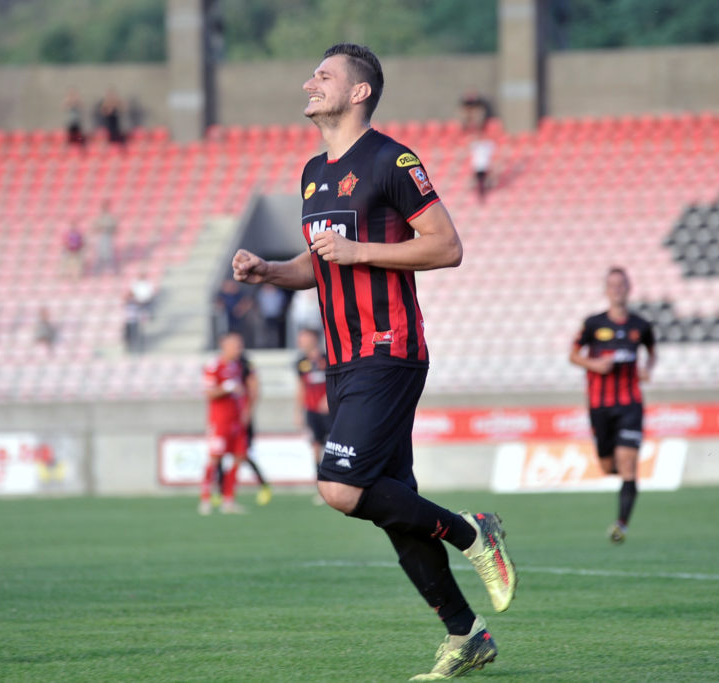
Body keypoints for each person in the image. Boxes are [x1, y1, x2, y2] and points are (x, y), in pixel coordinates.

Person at [231, 43, 517, 680]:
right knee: (395, 508)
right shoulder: (311, 171)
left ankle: (475, 533)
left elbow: (446, 246)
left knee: (340, 487)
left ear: (359, 92)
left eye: (324, 75)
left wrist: (360, 252)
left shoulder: (393, 159)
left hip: (386, 349)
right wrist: (271, 271)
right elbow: (320, 261)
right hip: (341, 357)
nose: (310, 82)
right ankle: (466, 634)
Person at [568, 266, 657, 545]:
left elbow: (652, 353)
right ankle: (621, 470)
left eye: (622, 284)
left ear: (629, 288)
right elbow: (573, 355)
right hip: (600, 406)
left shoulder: (640, 326)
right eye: (612, 285)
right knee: (608, 466)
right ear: (606, 290)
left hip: (630, 403)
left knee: (628, 464)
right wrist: (594, 363)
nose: (617, 289)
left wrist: (647, 368)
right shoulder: (593, 324)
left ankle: (621, 525)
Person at [217, 332, 272, 507]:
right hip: (225, 418)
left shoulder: (245, 363)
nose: (237, 347)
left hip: (240, 417)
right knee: (219, 454)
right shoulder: (220, 364)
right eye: (234, 343)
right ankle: (222, 492)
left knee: (243, 453)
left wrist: (248, 411)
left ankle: (262, 485)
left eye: (239, 343)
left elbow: (254, 387)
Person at [295, 327, 332, 504]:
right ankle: (321, 487)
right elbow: (301, 387)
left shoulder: (328, 358)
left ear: (313, 339)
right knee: (316, 447)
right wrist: (299, 411)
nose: (300, 341)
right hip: (311, 411)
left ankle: (336, 484)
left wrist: (328, 398)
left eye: (303, 337)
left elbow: (336, 381)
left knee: (333, 445)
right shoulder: (301, 362)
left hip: (329, 410)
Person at [93, 199, 118, 275]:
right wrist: (100, 228)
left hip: (108, 237)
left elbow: (114, 228)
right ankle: (98, 271)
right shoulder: (99, 218)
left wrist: (108, 229)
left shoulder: (110, 218)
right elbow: (95, 227)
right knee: (100, 254)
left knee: (109, 254)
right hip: (101, 237)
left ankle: (113, 271)